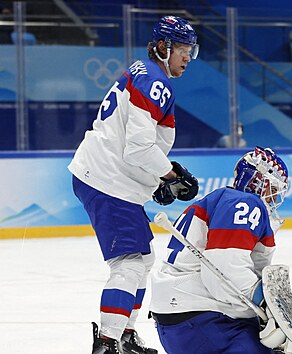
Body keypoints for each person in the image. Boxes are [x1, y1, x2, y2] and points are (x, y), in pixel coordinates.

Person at [68, 16, 200, 354]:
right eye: (182, 50)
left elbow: (133, 143)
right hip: (107, 181)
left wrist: (153, 176)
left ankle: (123, 335)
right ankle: (108, 343)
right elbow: (139, 146)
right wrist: (171, 175)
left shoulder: (143, 71)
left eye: (190, 50)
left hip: (110, 178)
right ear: (162, 47)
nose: (187, 57)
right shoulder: (155, 81)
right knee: (128, 263)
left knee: (143, 259)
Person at [149, 147, 290, 354]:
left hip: (183, 321)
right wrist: (269, 307)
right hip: (206, 320)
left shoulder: (224, 200)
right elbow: (225, 271)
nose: (274, 198)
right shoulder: (244, 203)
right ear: (259, 181)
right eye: (273, 189)